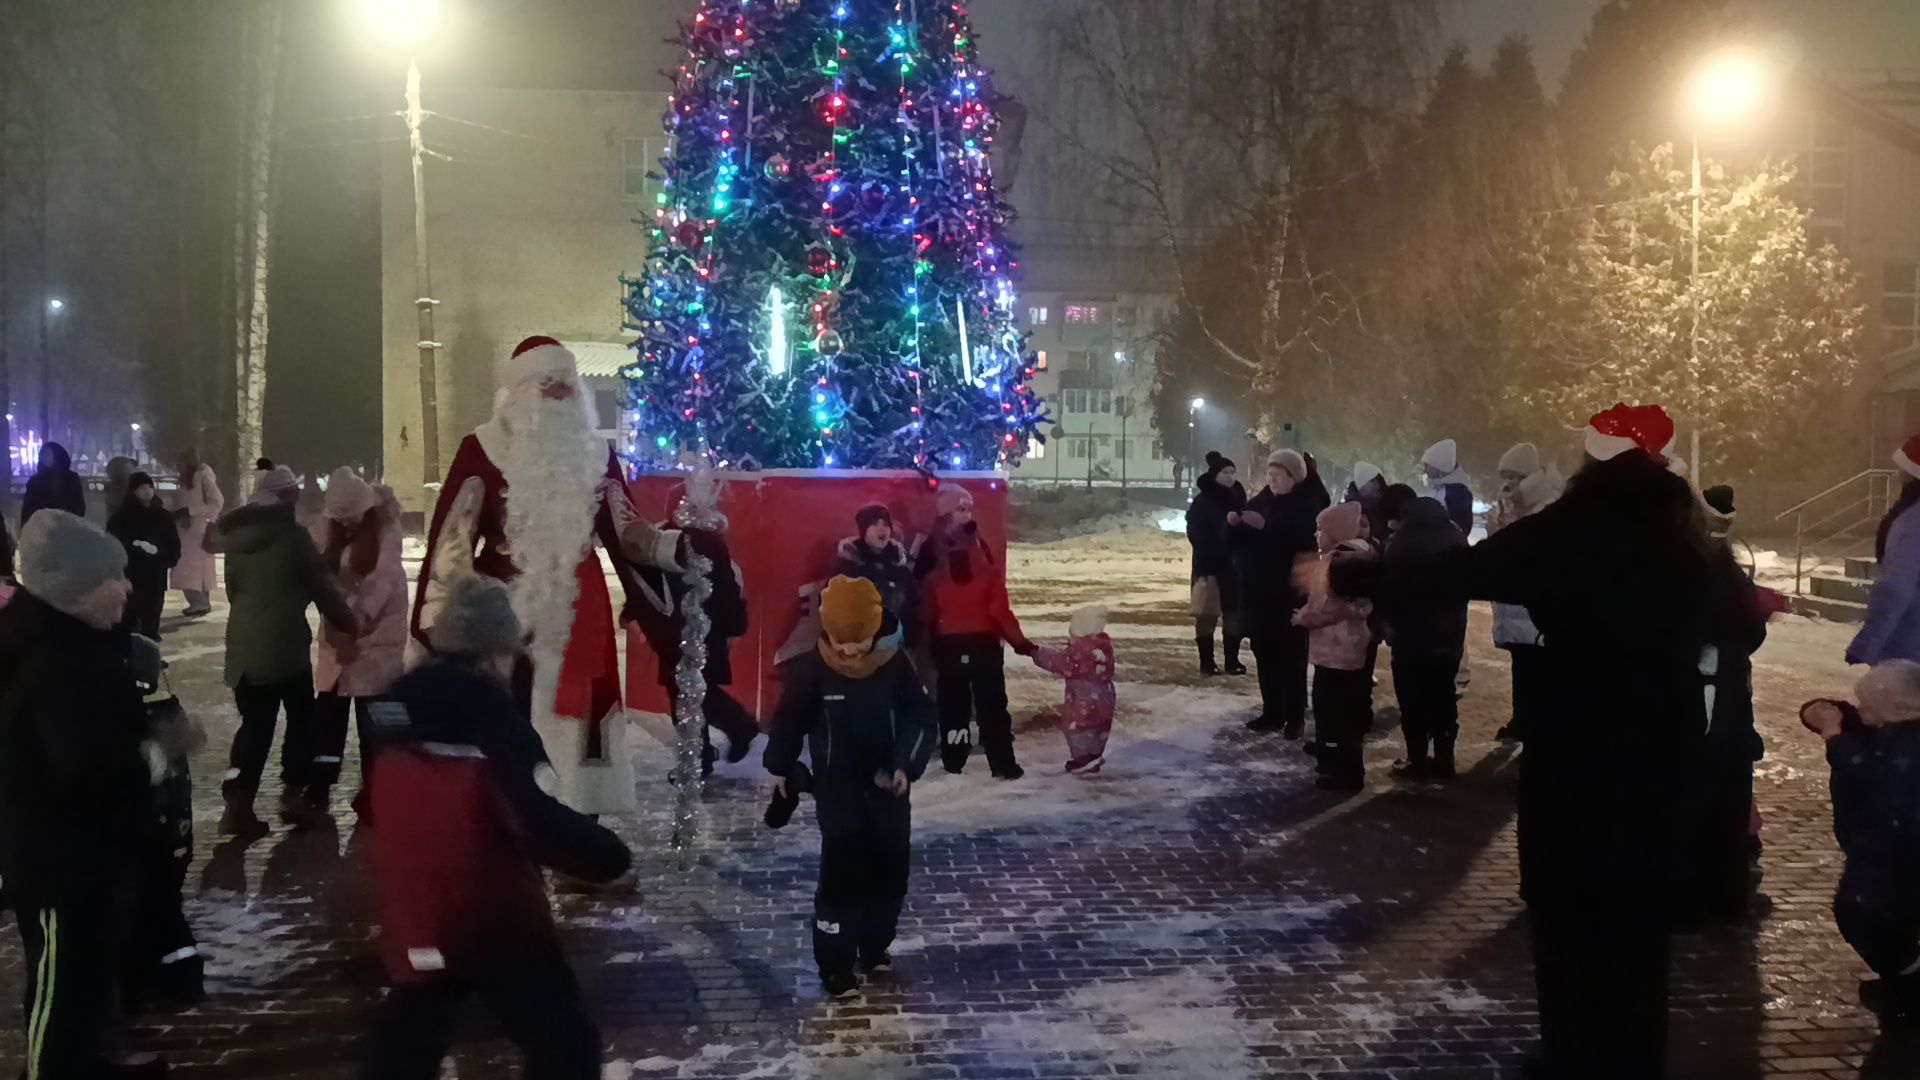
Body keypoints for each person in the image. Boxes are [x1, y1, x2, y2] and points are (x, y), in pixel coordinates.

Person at [1313, 402, 1711, 1080]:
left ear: (1592, 461)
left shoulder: (1567, 529)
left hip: (1576, 736)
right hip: (1659, 743)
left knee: (1567, 907)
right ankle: (1635, 1055)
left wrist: (1361, 573)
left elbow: (1455, 574)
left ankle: (1573, 1052)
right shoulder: (1685, 536)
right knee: (1640, 917)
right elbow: (1733, 619)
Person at [366, 576, 632, 1078]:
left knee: (407, 1046)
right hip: (493, 915)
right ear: (495, 653)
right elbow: (535, 818)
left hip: (415, 912)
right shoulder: (494, 725)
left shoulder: (393, 717)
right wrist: (607, 855)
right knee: (565, 1045)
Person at [412, 336, 663, 816]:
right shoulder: (483, 448)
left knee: (579, 722)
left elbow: (626, 531)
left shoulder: (595, 452)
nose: (559, 393)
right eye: (547, 383)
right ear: (521, 390)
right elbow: (453, 537)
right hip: (503, 609)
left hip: (579, 608)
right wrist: (441, 614)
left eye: (566, 383)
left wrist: (670, 553)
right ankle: (508, 814)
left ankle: (578, 817)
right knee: (507, 713)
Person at [0, 511, 169, 1078]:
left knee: (88, 972)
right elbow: (86, 766)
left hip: (86, 853)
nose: (126, 587)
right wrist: (154, 756)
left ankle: (90, 1061)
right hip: (59, 858)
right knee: (61, 980)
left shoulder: (76, 643)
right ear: (76, 589)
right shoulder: (56, 661)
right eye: (111, 578)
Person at [764, 576, 936, 998]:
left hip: (888, 787)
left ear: (874, 630)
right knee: (842, 875)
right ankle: (835, 964)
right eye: (840, 643)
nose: (848, 652)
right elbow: (790, 719)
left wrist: (905, 765)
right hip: (837, 787)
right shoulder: (813, 668)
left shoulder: (896, 664)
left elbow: (920, 717)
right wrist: (780, 765)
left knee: (890, 870)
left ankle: (875, 945)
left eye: (857, 643)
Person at [217, 465, 357, 833]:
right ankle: (293, 795)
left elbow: (234, 590)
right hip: (284, 647)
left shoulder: (236, 540)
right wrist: (349, 623)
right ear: (286, 497)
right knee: (301, 719)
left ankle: (237, 803)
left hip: (242, 647)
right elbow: (322, 587)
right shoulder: (293, 537)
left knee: (254, 725)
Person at [1678, 483, 1777, 926]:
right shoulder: (1725, 569)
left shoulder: (1690, 567)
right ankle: (1721, 889)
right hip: (1726, 694)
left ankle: (1702, 891)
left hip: (1705, 696)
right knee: (1724, 792)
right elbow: (1750, 630)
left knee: (1703, 792)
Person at [622, 507, 757, 776]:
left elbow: (649, 585)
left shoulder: (674, 540)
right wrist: (734, 625)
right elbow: (728, 587)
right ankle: (703, 754)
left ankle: (732, 730)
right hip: (693, 629)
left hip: (684, 629)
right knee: (689, 693)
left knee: (690, 694)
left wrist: (634, 612)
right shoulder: (691, 541)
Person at [916, 483, 1035, 778]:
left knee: (952, 706)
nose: (967, 514)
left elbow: (925, 606)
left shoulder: (932, 563)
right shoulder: (984, 563)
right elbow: (999, 610)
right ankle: (1003, 763)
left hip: (947, 644)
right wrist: (1020, 642)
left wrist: (928, 636)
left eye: (969, 508)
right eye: (961, 508)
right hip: (984, 644)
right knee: (992, 706)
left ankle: (953, 761)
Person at [311, 469, 408, 815]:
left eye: (350, 516)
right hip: (339, 646)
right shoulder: (331, 533)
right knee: (328, 725)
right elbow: (322, 580)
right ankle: (318, 790)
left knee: (375, 729)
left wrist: (351, 625)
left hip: (375, 644)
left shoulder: (386, 537)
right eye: (339, 518)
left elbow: (379, 588)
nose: (345, 523)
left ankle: (377, 797)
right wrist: (337, 629)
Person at [1229, 449, 1329, 737]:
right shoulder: (1260, 502)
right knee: (1264, 653)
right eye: (1269, 474)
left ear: (1294, 477)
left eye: (1278, 474)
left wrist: (1266, 527)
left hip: (1288, 593)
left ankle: (1295, 716)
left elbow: (1302, 540)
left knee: (1291, 657)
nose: (1271, 479)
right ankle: (1272, 711)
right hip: (1257, 592)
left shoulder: (1307, 505)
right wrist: (1233, 527)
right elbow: (1236, 545)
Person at [1378, 491, 1469, 781]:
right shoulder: (1456, 537)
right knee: (1444, 698)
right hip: (1448, 637)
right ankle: (1445, 761)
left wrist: (1388, 624)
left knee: (1413, 701)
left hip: (1411, 638)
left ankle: (1417, 762)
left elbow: (1389, 589)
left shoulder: (1401, 543)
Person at [1292, 502, 1376, 792]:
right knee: (1344, 709)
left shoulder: (1337, 562)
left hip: (1335, 649)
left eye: (1321, 530)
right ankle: (1335, 758)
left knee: (1333, 710)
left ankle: (1344, 770)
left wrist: (1303, 618)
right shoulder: (1363, 555)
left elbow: (1327, 607)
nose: (1317, 535)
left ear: (1336, 532)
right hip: (1352, 647)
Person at [1487, 443, 1561, 742]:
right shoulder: (1514, 507)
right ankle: (1522, 720)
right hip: (1517, 606)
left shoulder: (1547, 507)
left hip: (1537, 609)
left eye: (1513, 478)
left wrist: (1511, 522)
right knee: (1522, 667)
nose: (1508, 485)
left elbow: (1533, 552)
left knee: (1538, 670)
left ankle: (1537, 729)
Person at [1848, 434, 1920, 667]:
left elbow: (1895, 586)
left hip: (1907, 646)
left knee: (1899, 690)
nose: (1897, 474)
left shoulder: (1912, 522)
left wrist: (1865, 644)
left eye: (1902, 467)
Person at [1030, 605, 1118, 776]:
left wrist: (1035, 653)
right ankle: (1093, 755)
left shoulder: (1080, 651)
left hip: (1083, 699)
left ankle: (1084, 760)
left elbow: (1058, 662)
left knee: (1079, 729)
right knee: (1098, 728)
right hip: (1105, 696)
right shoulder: (1102, 647)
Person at [1186, 452, 1247, 676]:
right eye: (1225, 472)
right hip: (1208, 566)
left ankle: (1232, 660)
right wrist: (1215, 548)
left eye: (1233, 472)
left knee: (1233, 613)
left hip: (1233, 566)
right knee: (1207, 614)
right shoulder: (1202, 502)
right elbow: (1195, 533)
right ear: (1215, 475)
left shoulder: (1239, 499)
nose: (1230, 476)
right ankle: (1207, 662)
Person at [108, 472, 183, 641]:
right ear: (133, 491)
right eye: (142, 487)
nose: (147, 491)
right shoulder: (122, 517)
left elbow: (172, 541)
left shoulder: (162, 515)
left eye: (150, 486)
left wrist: (166, 557)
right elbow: (114, 541)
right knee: (132, 610)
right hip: (133, 571)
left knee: (153, 609)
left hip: (156, 571)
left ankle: (151, 642)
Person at [834, 504, 921, 643]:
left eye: (886, 524)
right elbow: (832, 606)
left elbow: (915, 604)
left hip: (897, 645)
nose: (882, 529)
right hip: (862, 647)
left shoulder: (899, 567)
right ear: (863, 530)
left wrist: (911, 639)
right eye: (874, 524)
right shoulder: (848, 566)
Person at [172, 448, 223, 618]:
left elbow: (216, 503)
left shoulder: (202, 477)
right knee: (193, 567)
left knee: (193, 567)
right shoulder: (188, 479)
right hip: (188, 529)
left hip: (198, 530)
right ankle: (199, 602)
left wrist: (189, 511)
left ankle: (199, 602)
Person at [21, 441, 87, 527]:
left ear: (57, 456)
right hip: (41, 528)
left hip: (68, 526)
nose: (45, 458)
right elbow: (27, 509)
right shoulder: (35, 481)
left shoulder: (72, 479)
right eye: (43, 455)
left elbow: (79, 507)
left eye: (48, 454)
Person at [1419, 438, 1474, 535]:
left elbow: (1460, 528)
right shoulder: (1441, 488)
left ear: (1437, 466)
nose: (1424, 470)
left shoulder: (1458, 493)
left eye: (1427, 466)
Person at [1346, 462, 1390, 545]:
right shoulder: (1350, 511)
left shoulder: (1388, 505)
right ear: (1362, 486)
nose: (1377, 485)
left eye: (1379, 480)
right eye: (1372, 481)